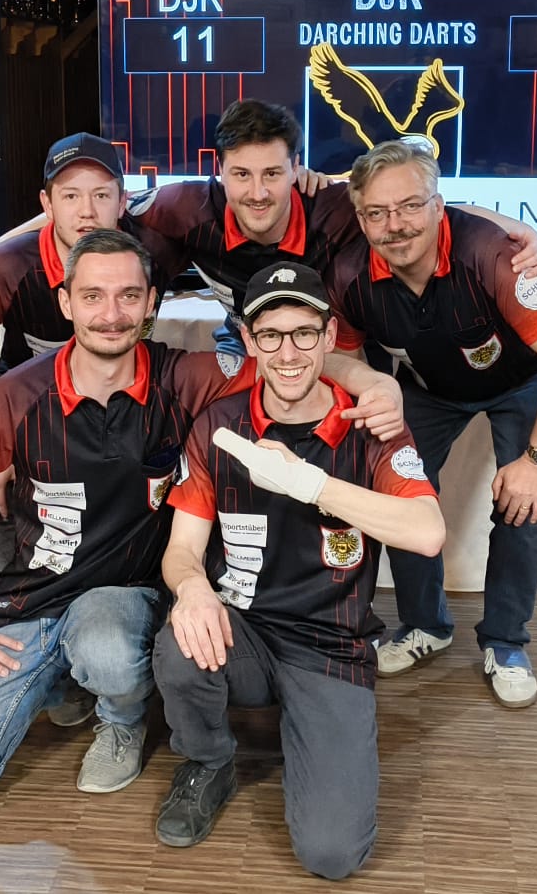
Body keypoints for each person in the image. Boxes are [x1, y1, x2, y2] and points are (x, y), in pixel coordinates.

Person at [0, 229, 408, 808]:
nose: (111, 314)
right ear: (66, 303)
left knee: (105, 645)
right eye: (92, 296)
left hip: (125, 598)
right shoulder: (14, 395)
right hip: (34, 601)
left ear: (151, 303)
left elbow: (290, 359)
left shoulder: (188, 376)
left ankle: (119, 717)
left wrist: (374, 381)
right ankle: (62, 682)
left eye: (128, 295)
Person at [152, 261, 443, 879]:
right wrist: (193, 588)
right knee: (179, 642)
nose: (288, 353)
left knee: (332, 855)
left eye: (304, 333)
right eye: (271, 335)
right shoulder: (218, 425)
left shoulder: (370, 426)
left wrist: (311, 484)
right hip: (243, 631)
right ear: (250, 340)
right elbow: (181, 551)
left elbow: (427, 532)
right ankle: (209, 760)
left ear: (329, 336)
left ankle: (313, 735)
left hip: (329, 643)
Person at [326, 139, 537, 708]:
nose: (396, 225)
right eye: (378, 213)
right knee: (399, 491)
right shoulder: (348, 273)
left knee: (525, 502)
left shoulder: (494, 255)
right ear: (361, 219)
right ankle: (426, 625)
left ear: (438, 205)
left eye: (409, 206)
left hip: (519, 382)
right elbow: (339, 357)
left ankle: (506, 641)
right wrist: (376, 387)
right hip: (428, 392)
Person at [124, 100, 537, 353]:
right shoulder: (184, 206)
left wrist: (517, 229)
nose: (257, 192)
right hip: (245, 340)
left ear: (296, 168)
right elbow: (107, 209)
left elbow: (426, 210)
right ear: (220, 171)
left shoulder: (335, 207)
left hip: (328, 346)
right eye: (241, 175)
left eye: (272, 173)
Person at [0, 132, 135, 571]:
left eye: (101, 195)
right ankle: (23, 592)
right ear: (47, 204)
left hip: (118, 397)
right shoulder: (3, 266)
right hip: (27, 399)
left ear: (122, 202)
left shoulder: (151, 242)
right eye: (70, 196)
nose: (87, 211)